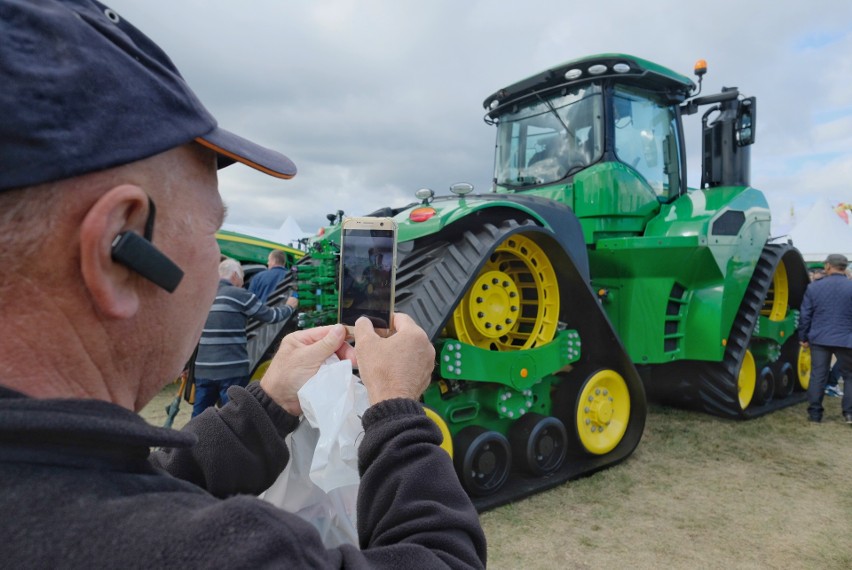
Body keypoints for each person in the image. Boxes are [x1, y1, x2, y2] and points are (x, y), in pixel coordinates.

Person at [0, 1, 487, 568]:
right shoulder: (227, 552)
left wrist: (268, 404)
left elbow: (138, 481)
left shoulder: (53, 491)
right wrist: (398, 410)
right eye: (214, 230)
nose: (218, 258)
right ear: (118, 248)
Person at [191, 258, 298, 417]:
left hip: (203, 370)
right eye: (241, 278)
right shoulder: (239, 294)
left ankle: (196, 442)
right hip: (231, 370)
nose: (242, 283)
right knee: (234, 418)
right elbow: (271, 316)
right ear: (235, 275)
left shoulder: (203, 296)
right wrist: (290, 306)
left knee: (198, 417)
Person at [798, 253, 852, 424]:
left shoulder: (814, 287)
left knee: (818, 376)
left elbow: (805, 315)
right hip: (846, 338)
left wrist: (803, 337)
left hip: (819, 337)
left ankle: (815, 414)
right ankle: (849, 414)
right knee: (850, 376)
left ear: (828, 266)